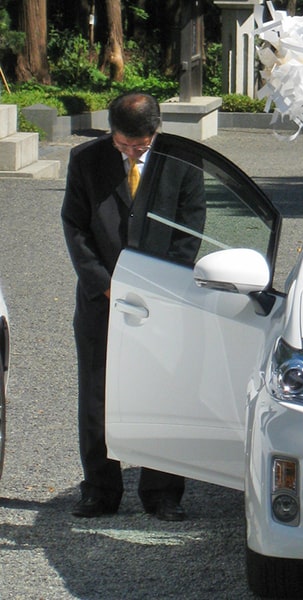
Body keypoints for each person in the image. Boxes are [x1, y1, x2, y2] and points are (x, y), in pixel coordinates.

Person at [61, 92, 204, 521]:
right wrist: (105, 284)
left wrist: (158, 285)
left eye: (138, 146)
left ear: (154, 132)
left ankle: (162, 492)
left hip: (160, 298)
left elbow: (189, 228)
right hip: (101, 298)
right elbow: (75, 226)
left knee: (161, 392)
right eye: (122, 144)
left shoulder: (183, 162)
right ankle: (100, 490)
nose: (129, 151)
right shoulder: (86, 160)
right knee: (97, 393)